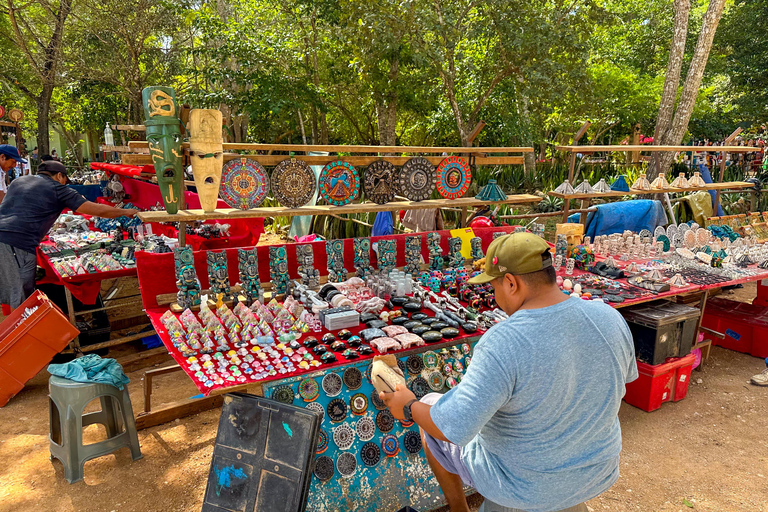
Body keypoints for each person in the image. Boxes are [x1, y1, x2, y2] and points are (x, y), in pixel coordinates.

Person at [381, 233, 638, 512]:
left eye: (494, 288)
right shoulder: (610, 317)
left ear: (511, 283)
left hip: (525, 486)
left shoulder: (504, 340)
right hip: (596, 470)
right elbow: (620, 387)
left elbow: (451, 427)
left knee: (430, 409)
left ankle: (459, 509)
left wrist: (407, 406)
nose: (494, 298)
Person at [0, 160, 138, 308]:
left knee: (14, 292)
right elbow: (97, 210)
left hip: (8, 238)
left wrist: (38, 232)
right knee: (20, 297)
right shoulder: (57, 189)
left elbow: (19, 209)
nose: (65, 184)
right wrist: (125, 212)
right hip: (16, 244)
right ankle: (24, 329)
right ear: (59, 175)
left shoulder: (19, 181)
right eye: (65, 180)